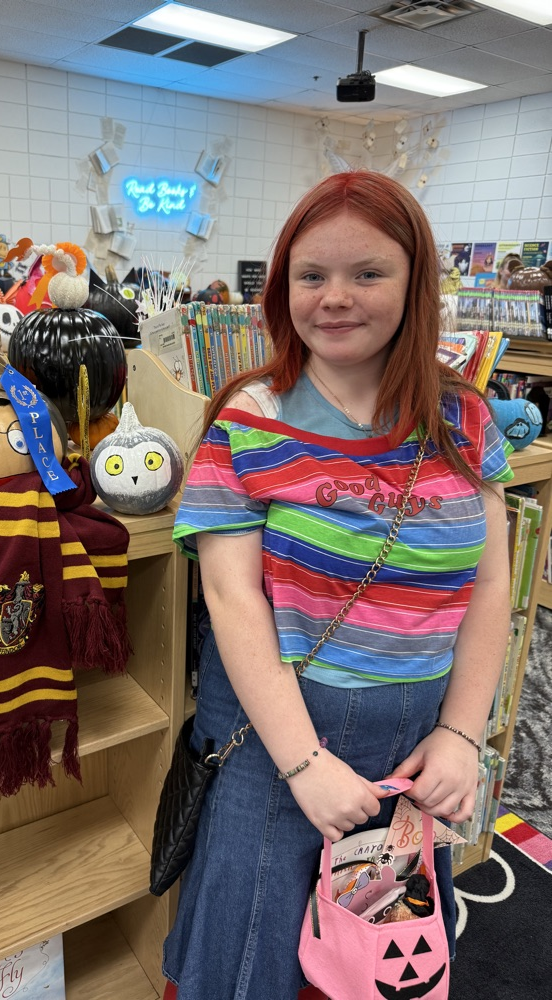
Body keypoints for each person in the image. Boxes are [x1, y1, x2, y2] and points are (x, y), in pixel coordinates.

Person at [162, 170, 513, 1000]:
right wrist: (304, 762)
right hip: (276, 736)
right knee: (250, 967)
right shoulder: (251, 415)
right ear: (283, 286)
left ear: (415, 282)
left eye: (368, 273)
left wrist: (464, 734)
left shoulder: (463, 416)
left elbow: (490, 583)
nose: (335, 299)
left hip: (415, 739)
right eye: (311, 275)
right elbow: (232, 600)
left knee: (376, 963)